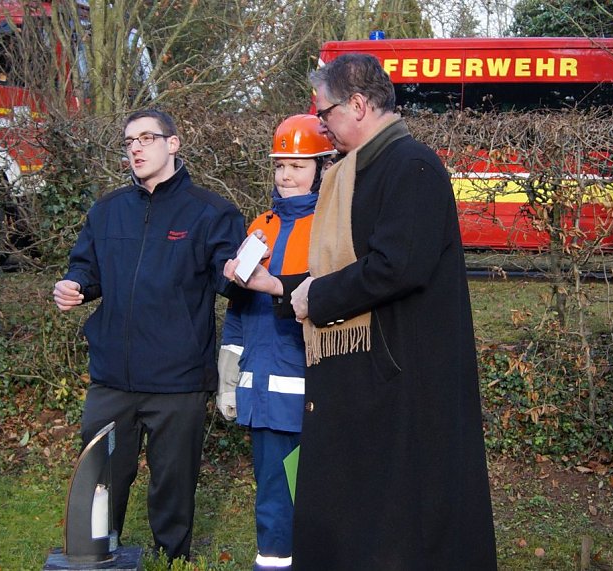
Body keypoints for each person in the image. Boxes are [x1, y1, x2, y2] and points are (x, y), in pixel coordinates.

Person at [225, 54, 497, 570]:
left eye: (325, 113)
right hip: (372, 378)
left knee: (405, 525)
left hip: (406, 383)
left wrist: (316, 298)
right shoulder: (359, 170)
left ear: (356, 104)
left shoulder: (411, 165)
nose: (322, 127)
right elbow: (345, 269)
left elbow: (396, 266)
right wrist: (280, 288)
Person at [52, 109, 246, 561]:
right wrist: (74, 284)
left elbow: (228, 279)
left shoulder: (212, 212)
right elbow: (86, 266)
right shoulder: (107, 210)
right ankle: (97, 553)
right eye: (129, 141)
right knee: (101, 479)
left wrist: (239, 273)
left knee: (173, 483)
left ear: (173, 143)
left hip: (177, 378)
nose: (135, 148)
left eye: (146, 138)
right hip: (112, 377)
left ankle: (170, 557)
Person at [217, 114, 337, 571]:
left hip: (314, 390)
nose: (286, 175)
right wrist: (230, 376)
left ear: (323, 168)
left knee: (321, 499)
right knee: (272, 498)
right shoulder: (260, 225)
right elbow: (239, 311)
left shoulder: (333, 225)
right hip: (264, 392)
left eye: (298, 166)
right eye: (280, 165)